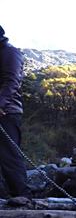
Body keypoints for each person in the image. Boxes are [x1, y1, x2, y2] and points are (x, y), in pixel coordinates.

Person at [0, 25, 30, 201]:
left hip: (7, 113)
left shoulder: (10, 52)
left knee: (9, 157)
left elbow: (12, 82)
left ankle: (23, 199)